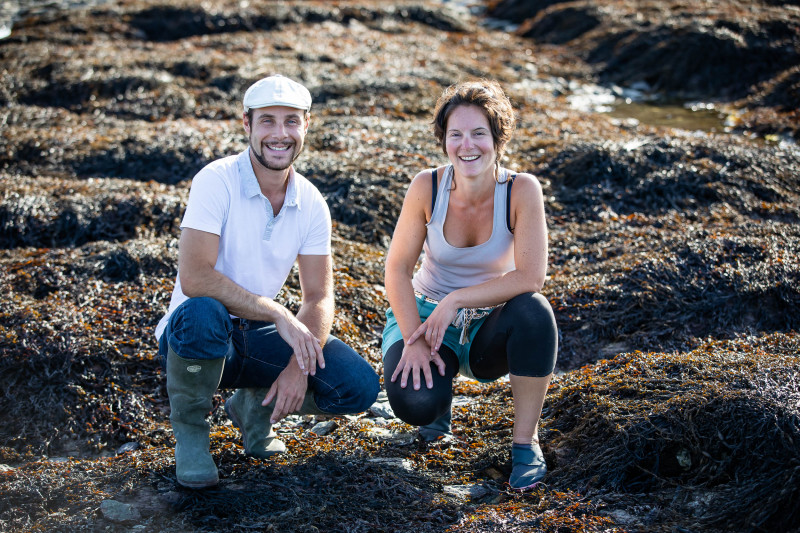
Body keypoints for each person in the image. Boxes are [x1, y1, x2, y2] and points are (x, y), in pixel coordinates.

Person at [155, 74, 380, 489]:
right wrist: (276, 311)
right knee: (205, 310)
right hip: (192, 338)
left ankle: (254, 407)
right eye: (268, 121)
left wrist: (298, 367)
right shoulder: (216, 179)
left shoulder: (311, 201)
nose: (280, 134)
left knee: (357, 387)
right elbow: (195, 277)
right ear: (247, 124)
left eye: (291, 121)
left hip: (254, 339)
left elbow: (318, 296)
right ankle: (190, 434)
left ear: (306, 126)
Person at [382, 79, 558, 490]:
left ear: (498, 137)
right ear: (443, 140)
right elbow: (397, 269)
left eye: (479, 133)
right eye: (455, 134)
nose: (467, 146)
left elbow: (530, 277)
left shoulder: (521, 189)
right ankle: (439, 406)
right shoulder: (426, 186)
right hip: (425, 318)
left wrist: (458, 300)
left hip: (485, 324)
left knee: (535, 310)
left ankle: (525, 444)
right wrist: (413, 337)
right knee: (416, 405)